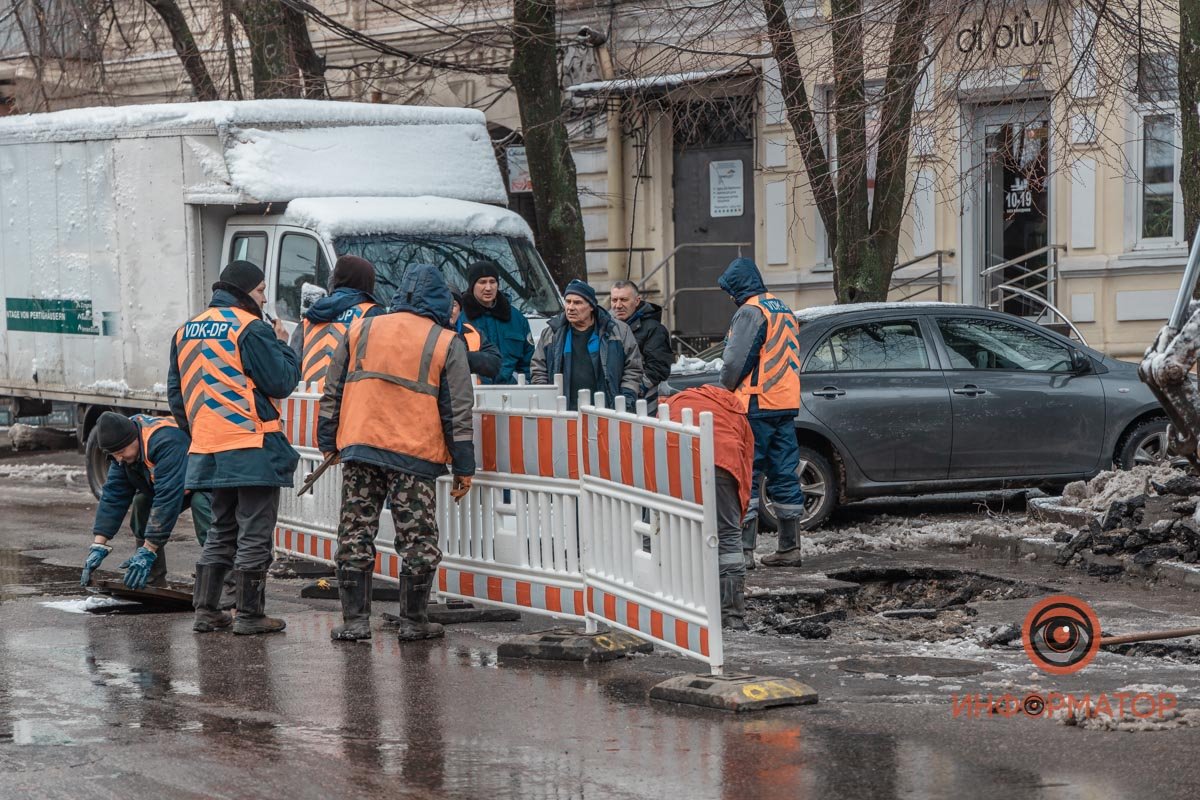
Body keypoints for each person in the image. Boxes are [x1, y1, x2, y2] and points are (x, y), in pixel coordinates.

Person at [319, 263, 475, 643]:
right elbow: (457, 410)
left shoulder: (362, 328)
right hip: (413, 455)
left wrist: (328, 441)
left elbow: (333, 389)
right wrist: (464, 466)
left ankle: (355, 622)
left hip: (360, 447)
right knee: (418, 539)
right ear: (440, 300)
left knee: (354, 532)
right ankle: (414, 622)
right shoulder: (445, 341)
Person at [168, 260, 301, 635]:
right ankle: (249, 615)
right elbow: (281, 381)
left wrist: (200, 431)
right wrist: (282, 344)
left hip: (209, 448)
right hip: (251, 445)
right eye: (261, 291)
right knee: (255, 532)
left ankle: (207, 610)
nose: (264, 299)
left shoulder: (186, 330)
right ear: (244, 291)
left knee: (221, 530)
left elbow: (177, 396)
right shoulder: (250, 328)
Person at [717, 257, 805, 569]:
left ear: (738, 286)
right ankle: (790, 547)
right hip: (784, 403)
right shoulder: (782, 309)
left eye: (730, 290)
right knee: (784, 472)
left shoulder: (750, 311)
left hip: (755, 405)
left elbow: (735, 361)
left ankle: (744, 552)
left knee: (747, 475)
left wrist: (723, 389)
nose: (730, 296)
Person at [79, 412, 215, 591]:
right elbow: (114, 495)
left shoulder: (166, 441)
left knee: (201, 505)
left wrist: (148, 549)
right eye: (114, 455)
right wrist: (98, 544)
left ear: (134, 439)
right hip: (174, 484)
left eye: (120, 452)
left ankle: (223, 579)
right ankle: (151, 580)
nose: (119, 459)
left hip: (208, 481)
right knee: (142, 503)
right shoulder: (123, 447)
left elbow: (167, 500)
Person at [663, 386, 754, 629]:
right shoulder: (735, 412)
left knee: (674, 527)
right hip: (723, 462)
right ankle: (731, 615)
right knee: (728, 535)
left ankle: (680, 603)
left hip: (676, 458)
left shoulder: (673, 403)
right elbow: (746, 466)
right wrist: (738, 513)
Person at [530, 279, 643, 411]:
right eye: (568, 302)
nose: (570, 308)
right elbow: (538, 368)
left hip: (608, 411)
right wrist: (546, 399)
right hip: (564, 412)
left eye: (577, 302)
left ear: (591, 306)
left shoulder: (618, 330)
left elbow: (633, 369)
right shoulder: (551, 333)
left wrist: (626, 400)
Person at [289, 255, 384, 391]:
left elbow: (291, 368)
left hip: (307, 402)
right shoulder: (371, 314)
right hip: (346, 401)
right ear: (366, 282)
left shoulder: (311, 317)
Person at [461, 260, 534, 384]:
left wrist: (524, 385)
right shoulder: (460, 319)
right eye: (482, 282)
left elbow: (529, 364)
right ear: (472, 285)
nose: (488, 288)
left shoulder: (517, 319)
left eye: (492, 282)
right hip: (473, 391)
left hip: (512, 391)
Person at [609, 280, 673, 411]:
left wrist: (635, 390)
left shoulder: (654, 329)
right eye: (614, 300)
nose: (618, 305)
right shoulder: (606, 327)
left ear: (637, 301)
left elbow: (658, 367)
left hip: (642, 403)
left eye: (624, 300)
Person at [450, 290, 501, 379]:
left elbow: (495, 363)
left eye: (453, 305)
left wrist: (463, 357)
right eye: (443, 305)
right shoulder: (427, 332)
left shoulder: (474, 333)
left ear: (460, 310)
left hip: (471, 387)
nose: (449, 310)